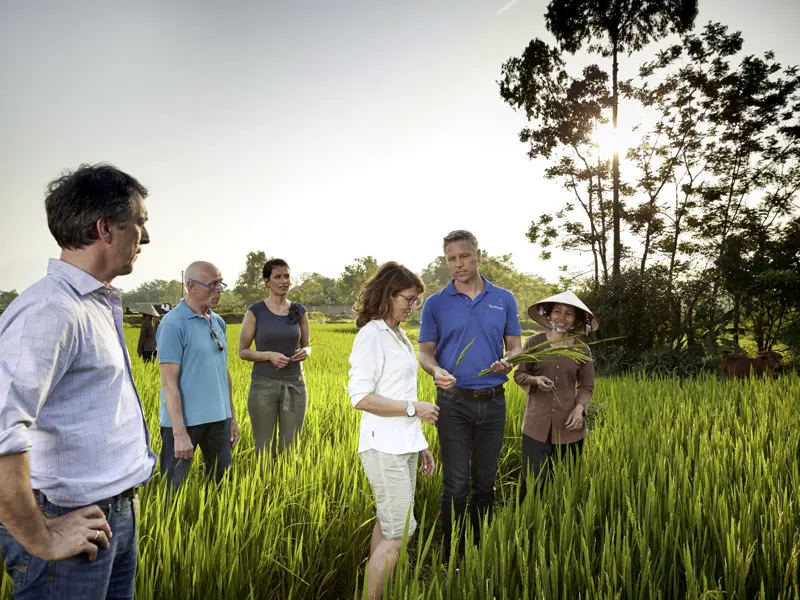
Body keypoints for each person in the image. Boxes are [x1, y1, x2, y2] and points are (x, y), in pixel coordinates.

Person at [0, 163, 157, 599]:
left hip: (112, 515)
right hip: (67, 519)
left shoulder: (93, 304)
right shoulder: (51, 310)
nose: (146, 238)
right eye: (139, 224)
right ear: (105, 229)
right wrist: (40, 536)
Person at [417, 230, 523, 562]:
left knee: (485, 483)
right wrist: (435, 371)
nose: (458, 264)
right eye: (452, 259)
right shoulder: (435, 303)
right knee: (456, 483)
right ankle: (453, 553)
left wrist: (509, 361)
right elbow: (424, 353)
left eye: (464, 256)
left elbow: (516, 347)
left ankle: (480, 549)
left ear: (479, 254)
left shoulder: (504, 298)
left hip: (493, 402)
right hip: (453, 404)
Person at [346, 262, 439, 600]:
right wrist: (416, 408)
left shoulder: (397, 333)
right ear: (388, 294)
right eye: (408, 299)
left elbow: (400, 393)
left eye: (416, 301)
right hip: (383, 448)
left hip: (402, 444)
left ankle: (376, 589)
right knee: (400, 534)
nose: (412, 307)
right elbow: (360, 397)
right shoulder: (371, 335)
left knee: (389, 525)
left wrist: (420, 443)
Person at [156, 261, 241, 493]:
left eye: (220, 283)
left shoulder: (218, 321)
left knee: (222, 487)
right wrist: (180, 433)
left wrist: (231, 417)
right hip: (185, 423)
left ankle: (217, 528)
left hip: (218, 421)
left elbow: (223, 372)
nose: (219, 289)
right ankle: (172, 530)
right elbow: (168, 382)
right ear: (192, 286)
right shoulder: (173, 324)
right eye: (212, 284)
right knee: (174, 491)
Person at [513, 291, 596, 493]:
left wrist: (579, 409)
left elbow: (587, 386)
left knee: (564, 485)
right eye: (557, 311)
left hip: (569, 425)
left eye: (568, 314)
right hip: (536, 424)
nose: (562, 317)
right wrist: (535, 379)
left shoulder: (582, 350)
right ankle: (527, 520)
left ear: (575, 320)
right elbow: (520, 375)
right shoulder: (534, 343)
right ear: (549, 315)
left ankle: (559, 523)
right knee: (532, 484)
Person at [238, 259, 310, 457]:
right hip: (263, 386)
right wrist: (268, 355)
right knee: (263, 448)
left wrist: (307, 352)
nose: (284, 281)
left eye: (287, 276)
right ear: (267, 281)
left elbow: (307, 345)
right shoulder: (255, 311)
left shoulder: (298, 310)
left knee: (290, 449)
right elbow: (243, 351)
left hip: (295, 385)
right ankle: (262, 487)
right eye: (278, 276)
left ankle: (284, 486)